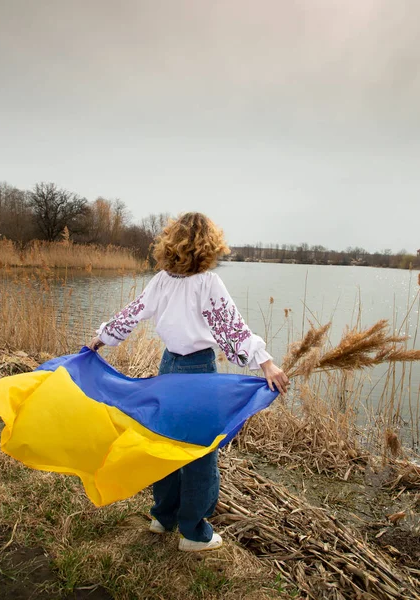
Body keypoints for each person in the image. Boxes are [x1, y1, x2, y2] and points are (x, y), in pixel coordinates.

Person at [88, 212, 289, 552]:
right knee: (199, 451)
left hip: (168, 370)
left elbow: (132, 312)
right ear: (209, 246)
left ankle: (162, 517)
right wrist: (265, 362)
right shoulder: (208, 283)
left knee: (164, 443)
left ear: (170, 243)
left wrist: (99, 339)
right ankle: (194, 533)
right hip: (197, 374)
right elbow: (232, 329)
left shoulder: (162, 280)